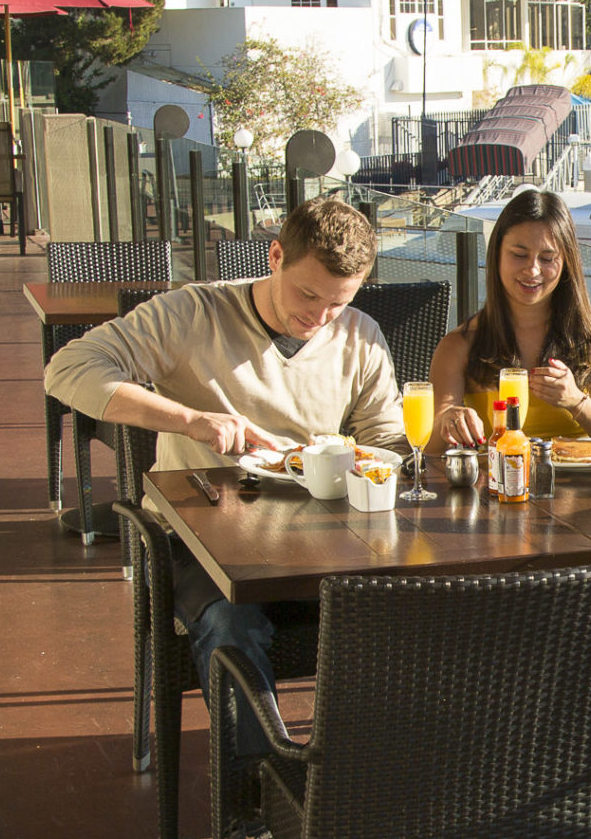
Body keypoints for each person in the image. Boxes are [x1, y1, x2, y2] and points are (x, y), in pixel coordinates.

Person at [43, 195, 402, 748]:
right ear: (275, 255)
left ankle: (362, 784)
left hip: (319, 536)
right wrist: (189, 419)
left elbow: (385, 441)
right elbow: (67, 370)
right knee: (233, 625)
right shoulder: (192, 314)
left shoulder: (359, 335)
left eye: (338, 301)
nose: (319, 317)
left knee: (419, 602)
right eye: (308, 294)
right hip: (199, 535)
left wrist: (371, 458)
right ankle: (261, 802)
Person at [429, 188, 591, 449]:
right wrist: (449, 420)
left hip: (584, 489)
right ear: (496, 254)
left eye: (547, 258)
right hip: (495, 488)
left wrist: (576, 401)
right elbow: (431, 451)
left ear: (566, 263)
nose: (533, 270)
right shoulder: (459, 346)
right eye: (519, 255)